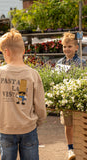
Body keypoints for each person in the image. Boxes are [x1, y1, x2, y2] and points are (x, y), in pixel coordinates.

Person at [0, 29, 46, 160]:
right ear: (24, 51)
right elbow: (40, 103)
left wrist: (1, 118)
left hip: (6, 127)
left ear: (6, 51)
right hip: (28, 127)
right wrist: (39, 120)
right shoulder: (32, 74)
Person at [56, 32, 86, 160]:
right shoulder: (60, 62)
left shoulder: (81, 63)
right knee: (68, 125)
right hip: (66, 99)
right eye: (64, 47)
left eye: (69, 46)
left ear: (76, 48)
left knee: (81, 124)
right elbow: (57, 79)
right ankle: (70, 149)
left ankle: (81, 148)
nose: (67, 49)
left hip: (78, 98)